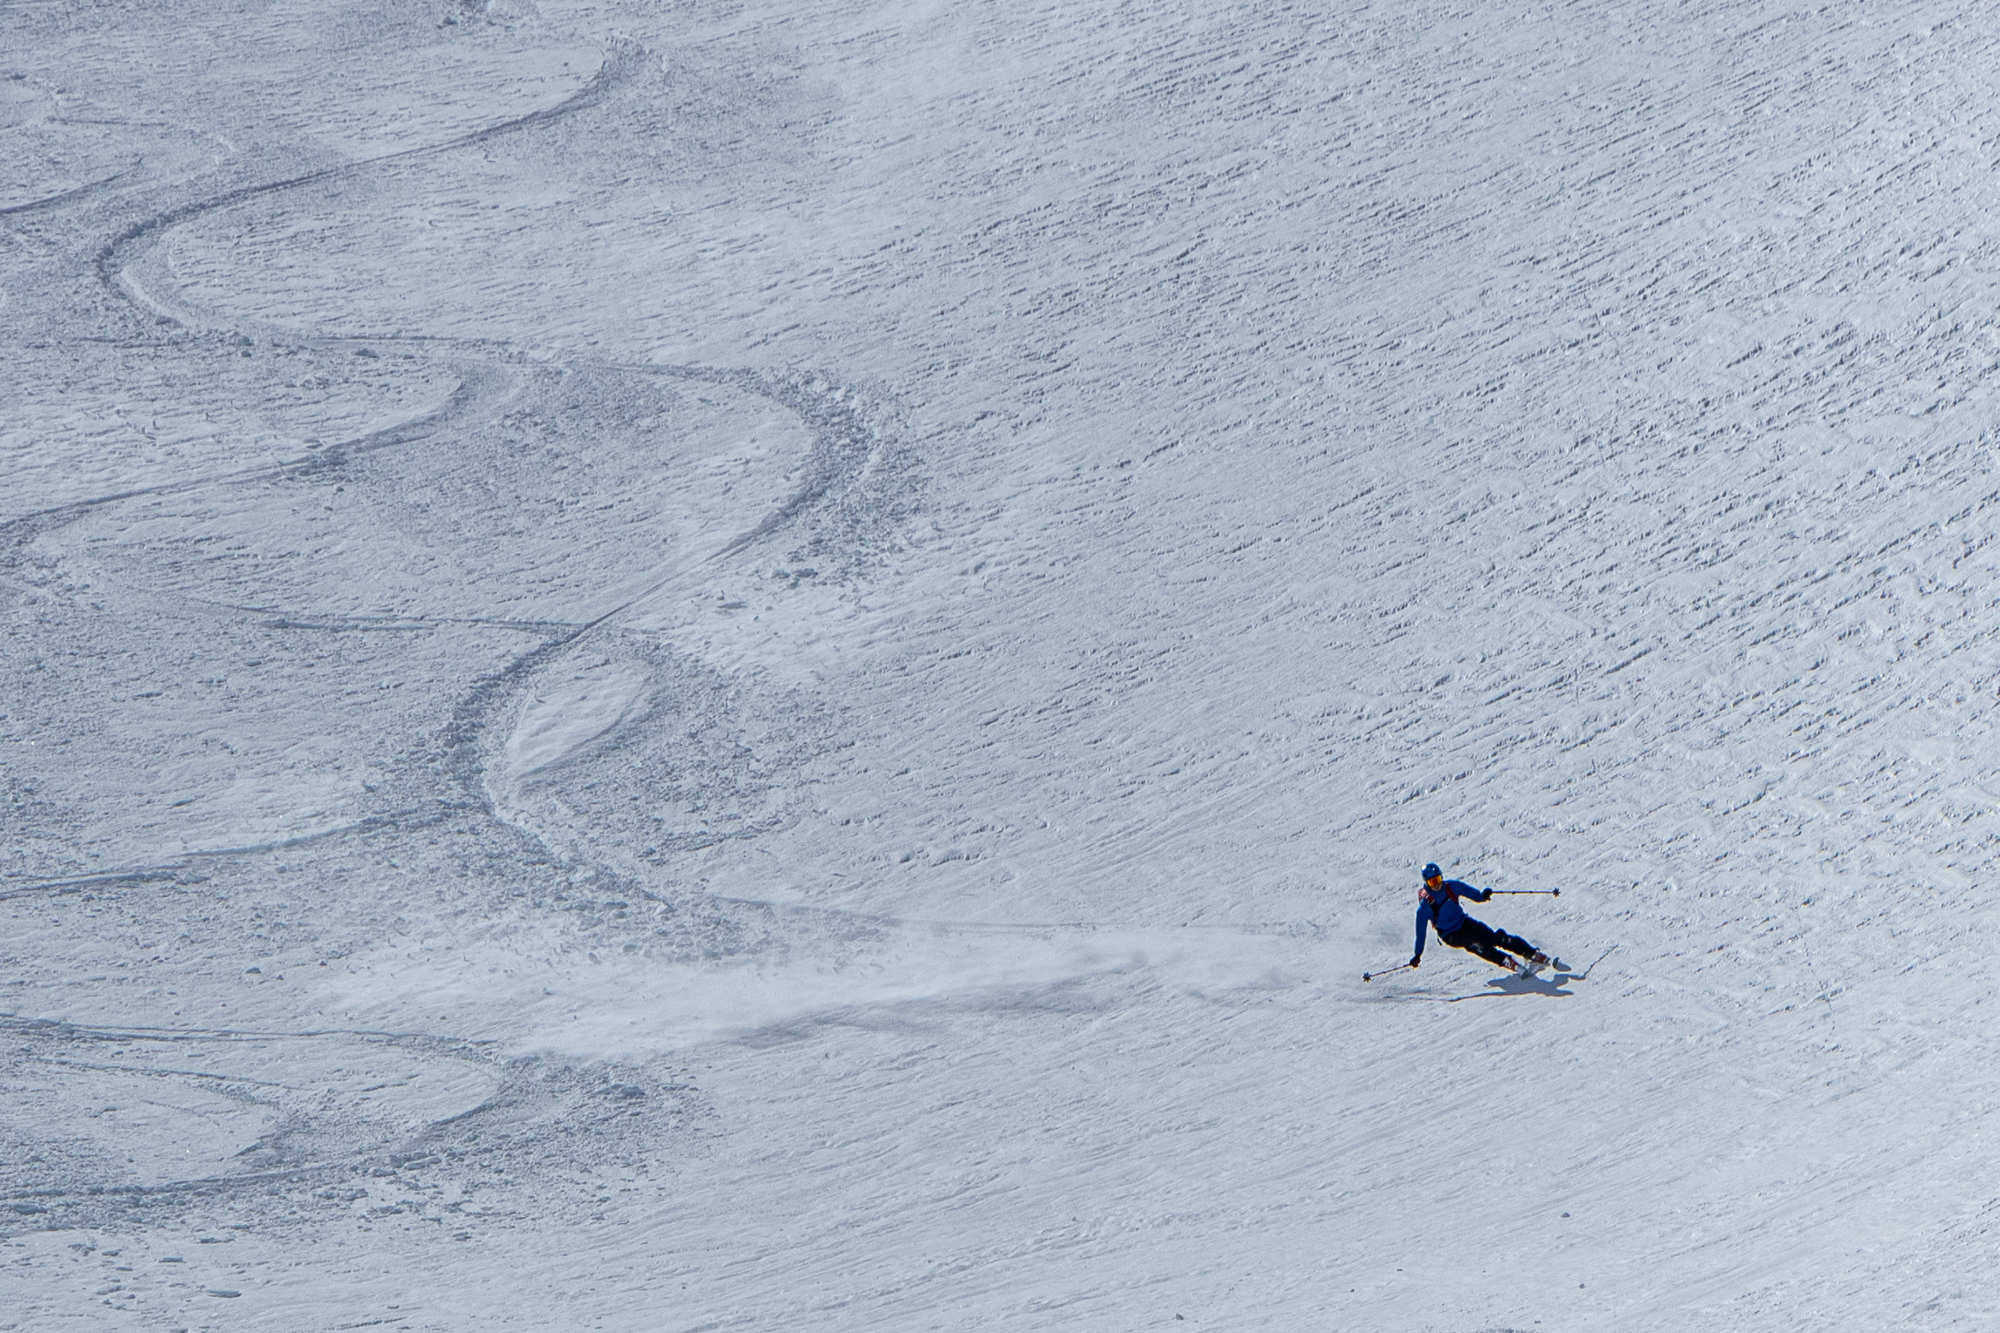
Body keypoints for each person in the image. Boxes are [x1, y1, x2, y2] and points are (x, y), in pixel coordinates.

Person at [1411, 863, 1560, 975]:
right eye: (1432, 882)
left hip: (1464, 922)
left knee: (1495, 938)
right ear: (1426, 883)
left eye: (1438, 879)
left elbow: (1473, 894)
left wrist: (1483, 895)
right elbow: (1420, 934)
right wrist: (1418, 955)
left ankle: (1531, 953)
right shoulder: (1425, 907)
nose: (1437, 885)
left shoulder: (1451, 886)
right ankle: (1506, 961)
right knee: (1476, 945)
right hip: (1450, 935)